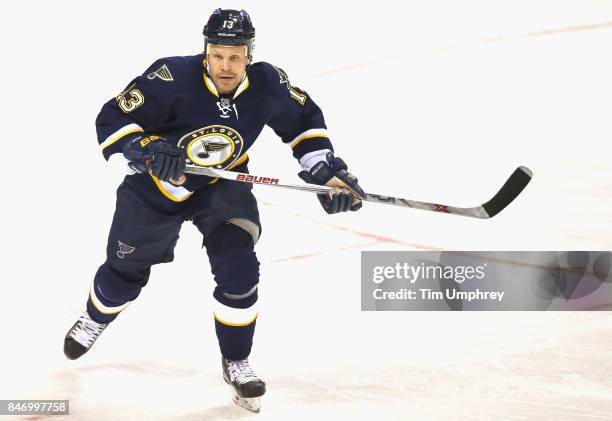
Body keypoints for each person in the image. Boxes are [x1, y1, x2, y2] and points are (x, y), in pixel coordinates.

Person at [63, 8, 365, 413]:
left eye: (235, 56)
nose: (226, 65)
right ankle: (95, 318)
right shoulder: (169, 77)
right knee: (122, 275)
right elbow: (113, 116)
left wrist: (325, 172)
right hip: (153, 188)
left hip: (223, 185)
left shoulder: (269, 84)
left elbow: (304, 124)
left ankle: (236, 360)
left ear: (249, 55)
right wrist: (147, 149)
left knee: (239, 267)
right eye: (218, 54)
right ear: (206, 51)